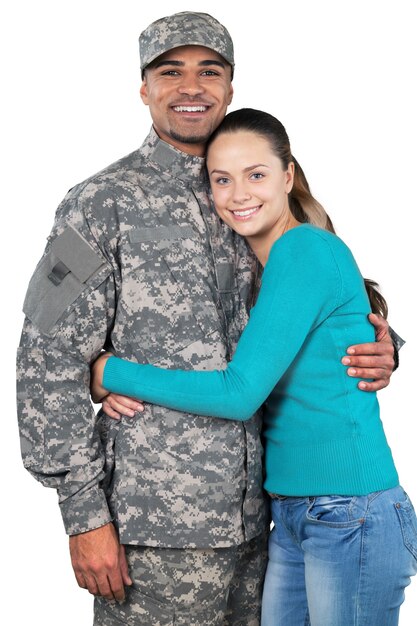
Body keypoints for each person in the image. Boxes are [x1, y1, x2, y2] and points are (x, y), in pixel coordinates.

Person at [16, 11, 400, 626]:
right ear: (144, 88)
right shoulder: (99, 204)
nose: (191, 87)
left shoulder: (252, 189)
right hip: (155, 533)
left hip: (266, 524)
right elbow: (45, 358)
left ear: (230, 86)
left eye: (209, 71)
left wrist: (384, 345)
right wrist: (83, 514)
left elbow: (327, 297)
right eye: (171, 72)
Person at [91, 108, 417, 626]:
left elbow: (239, 392)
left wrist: (109, 372)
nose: (239, 194)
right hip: (291, 512)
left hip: (348, 511)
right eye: (222, 180)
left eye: (256, 174)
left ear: (288, 175)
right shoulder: (258, 263)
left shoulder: (302, 250)